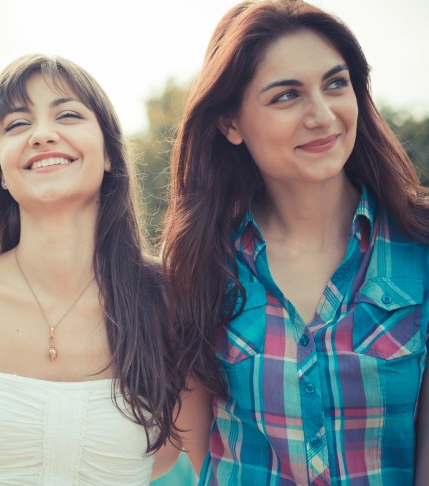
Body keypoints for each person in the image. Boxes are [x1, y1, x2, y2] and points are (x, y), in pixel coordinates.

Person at [161, 0, 429, 484]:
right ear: (231, 125)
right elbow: (195, 456)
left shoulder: (420, 246)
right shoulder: (200, 263)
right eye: (287, 96)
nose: (322, 115)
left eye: (335, 83)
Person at [0, 54, 193, 485]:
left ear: (109, 156)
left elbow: (189, 456)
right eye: (18, 124)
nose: (42, 134)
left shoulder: (170, 298)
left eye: (68, 114)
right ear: (1, 170)